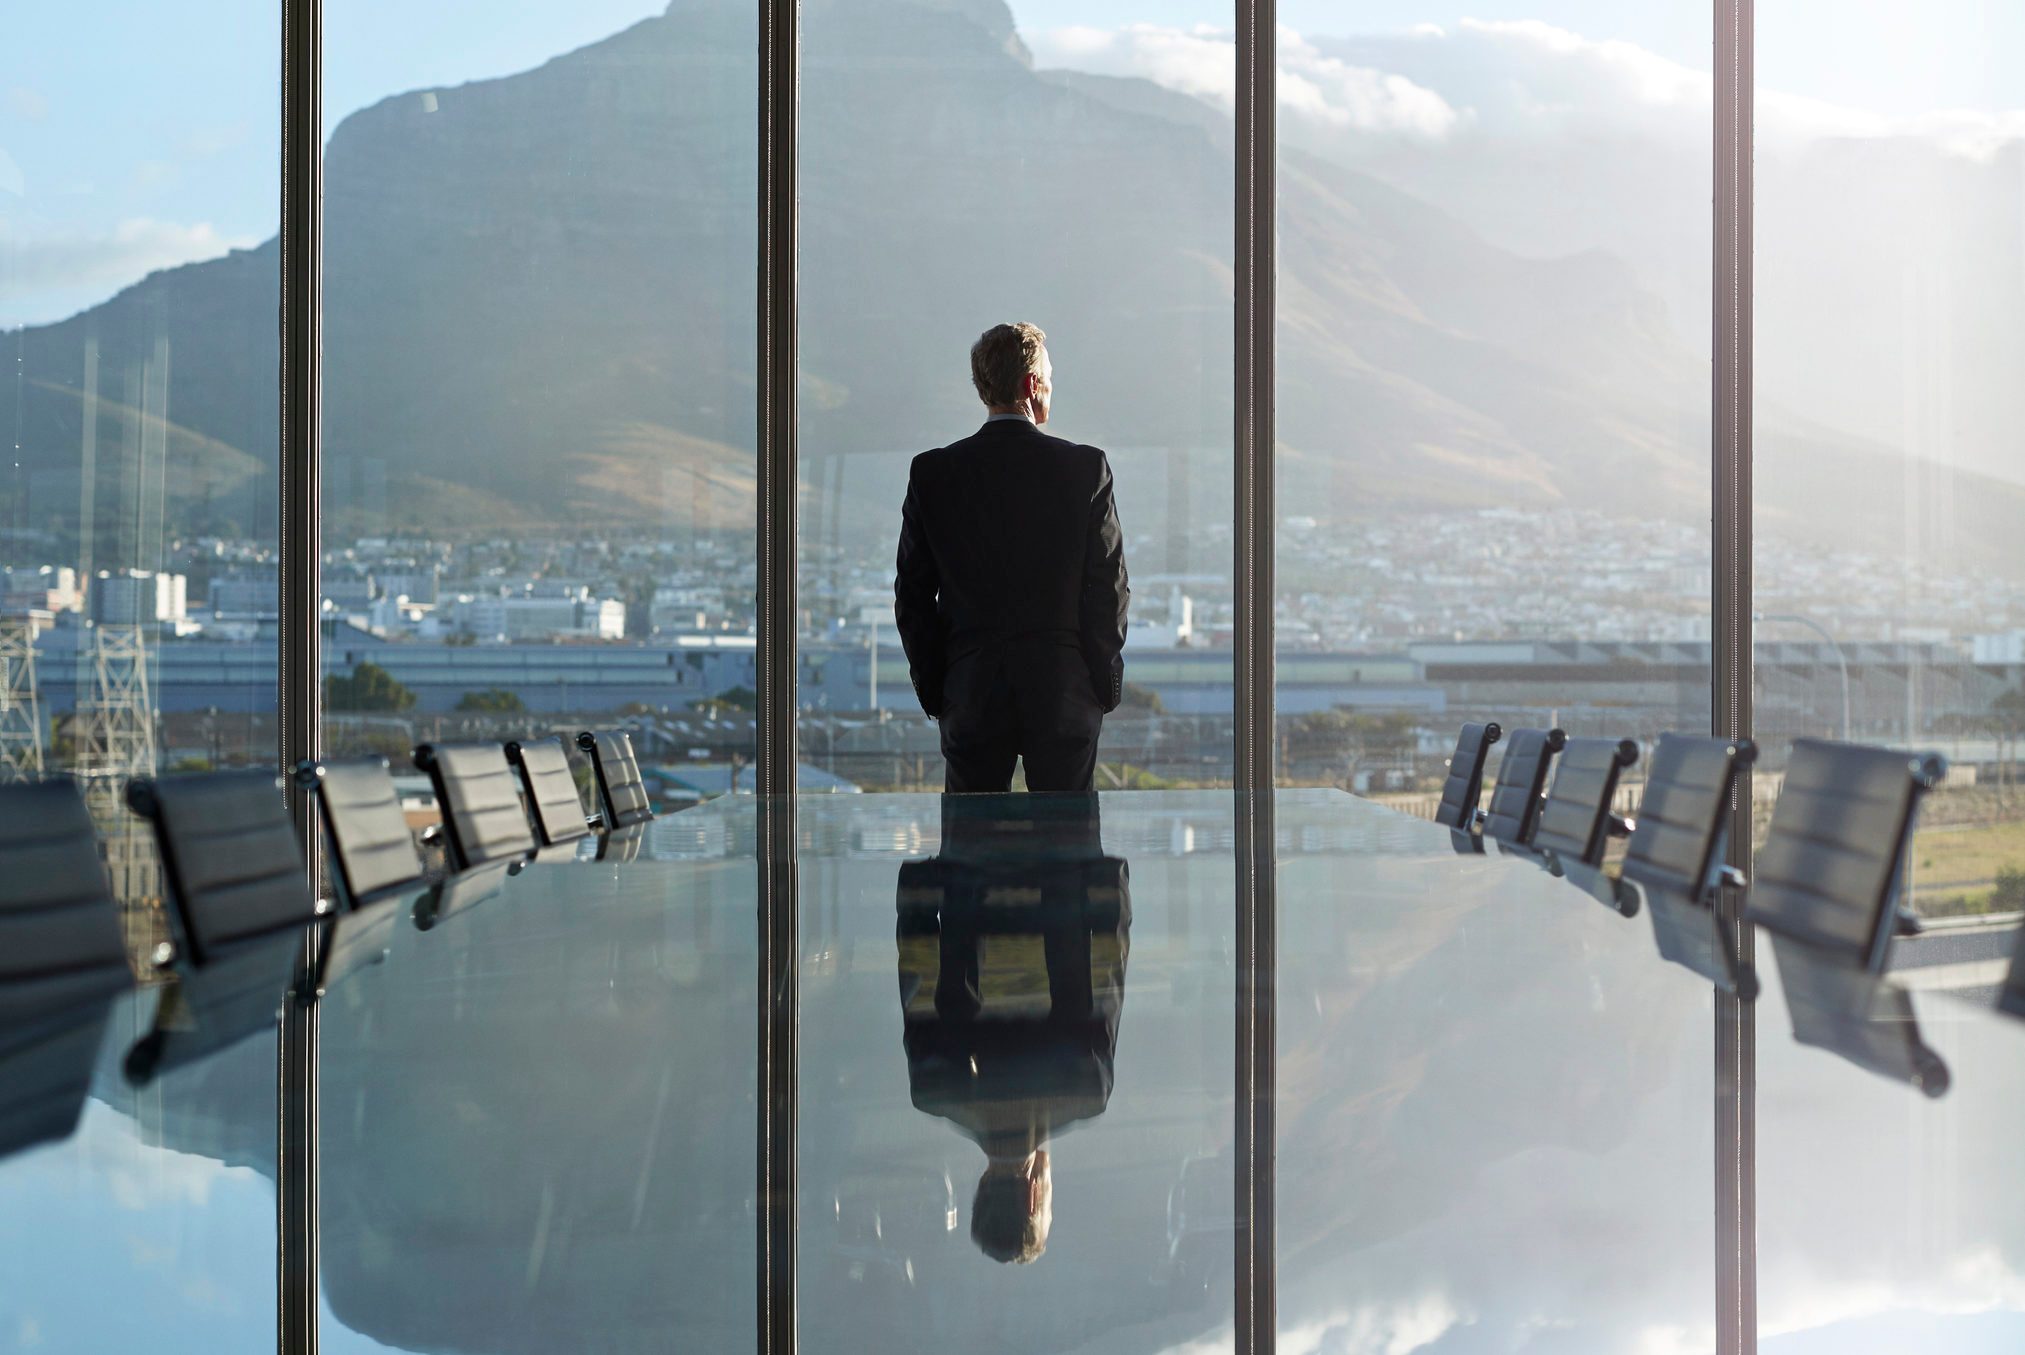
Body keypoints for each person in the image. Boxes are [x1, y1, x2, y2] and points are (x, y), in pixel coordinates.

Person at [894, 322, 1130, 793]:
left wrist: (941, 691)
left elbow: (912, 598)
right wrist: (1100, 688)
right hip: (1063, 691)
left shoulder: (933, 474)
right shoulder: (1084, 469)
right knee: (1070, 853)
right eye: (1050, 378)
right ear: (1032, 385)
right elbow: (1108, 589)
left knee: (969, 853)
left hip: (971, 691)